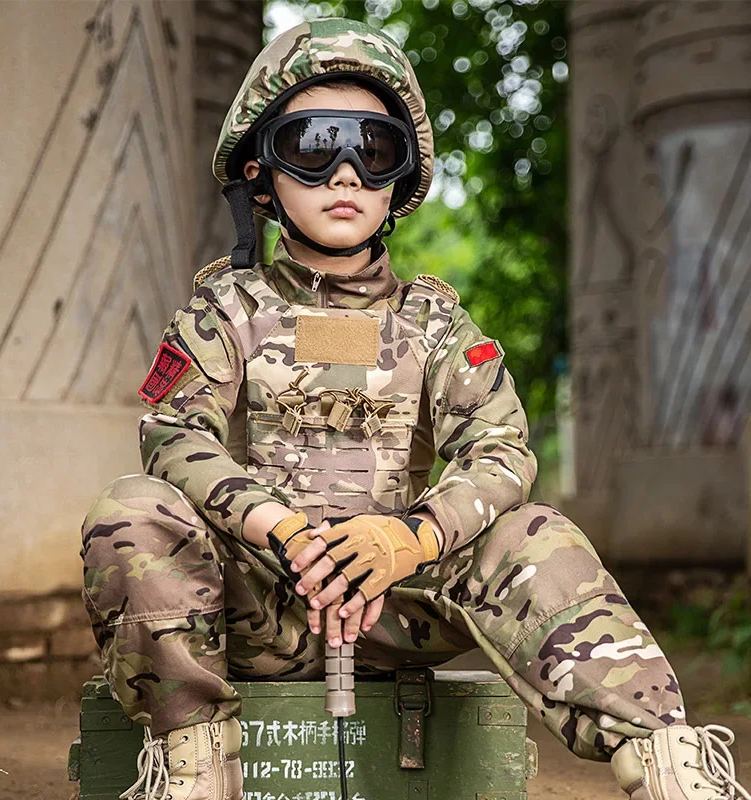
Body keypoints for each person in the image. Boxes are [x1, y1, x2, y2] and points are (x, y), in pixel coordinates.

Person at [80, 17, 749, 800]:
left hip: (398, 608)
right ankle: (195, 764)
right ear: (261, 174)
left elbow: (501, 453)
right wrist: (283, 529)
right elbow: (173, 434)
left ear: (402, 175)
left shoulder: (436, 327)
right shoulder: (223, 313)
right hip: (250, 608)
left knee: (535, 530)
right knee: (132, 508)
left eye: (374, 149)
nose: (345, 175)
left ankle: (669, 765)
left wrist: (410, 537)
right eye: (312, 145)